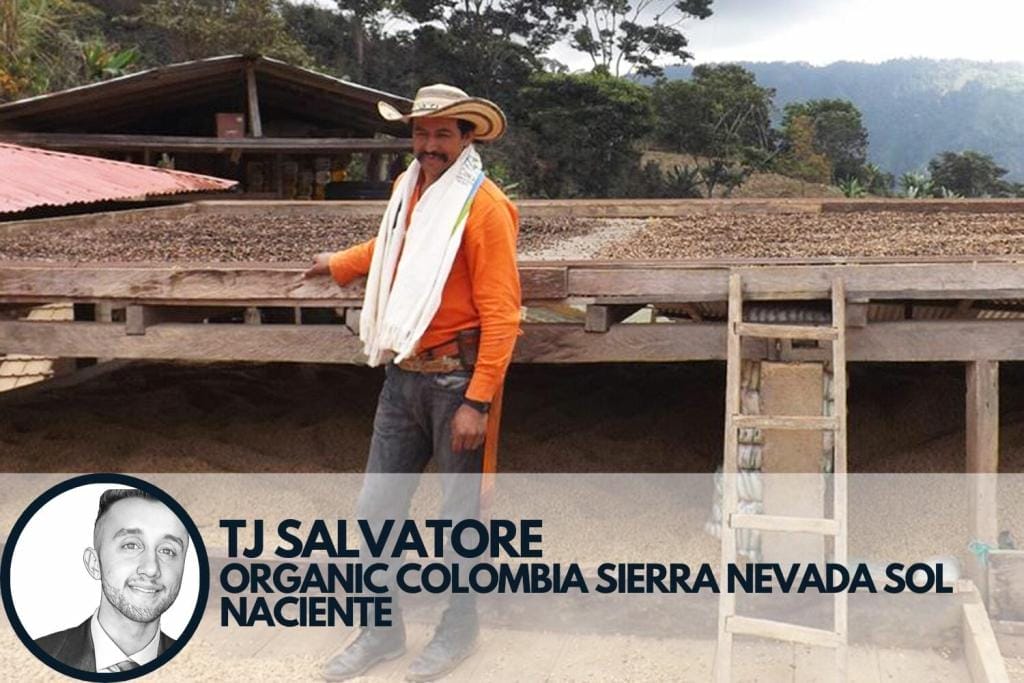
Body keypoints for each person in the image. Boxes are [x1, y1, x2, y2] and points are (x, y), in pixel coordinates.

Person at [305, 83, 521, 682]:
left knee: (459, 521)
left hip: (456, 381)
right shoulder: (411, 192)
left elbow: (503, 315)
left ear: (467, 138)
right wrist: (341, 263)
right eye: (421, 133)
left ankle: (459, 631)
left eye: (443, 134)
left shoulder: (483, 208)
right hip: (402, 375)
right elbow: (398, 245)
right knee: (376, 511)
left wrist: (477, 400)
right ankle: (381, 632)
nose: (429, 145)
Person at [33, 488, 188, 673]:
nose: (151, 568)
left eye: (167, 551)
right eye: (131, 545)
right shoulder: (36, 656)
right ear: (94, 564)